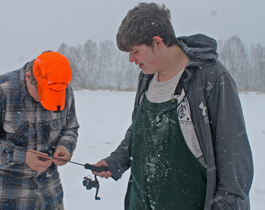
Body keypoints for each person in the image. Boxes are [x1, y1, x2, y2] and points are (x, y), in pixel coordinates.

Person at [94, 3, 254, 210]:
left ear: (158, 42)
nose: (131, 60)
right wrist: (115, 161)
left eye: (135, 51)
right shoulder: (147, 76)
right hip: (141, 203)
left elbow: (234, 157)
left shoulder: (210, 78)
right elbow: (141, 132)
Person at [0, 51, 79, 209]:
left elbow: (70, 128)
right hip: (8, 199)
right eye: (43, 94)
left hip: (50, 198)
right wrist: (21, 156)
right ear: (28, 77)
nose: (47, 103)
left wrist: (65, 146)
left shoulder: (65, 92)